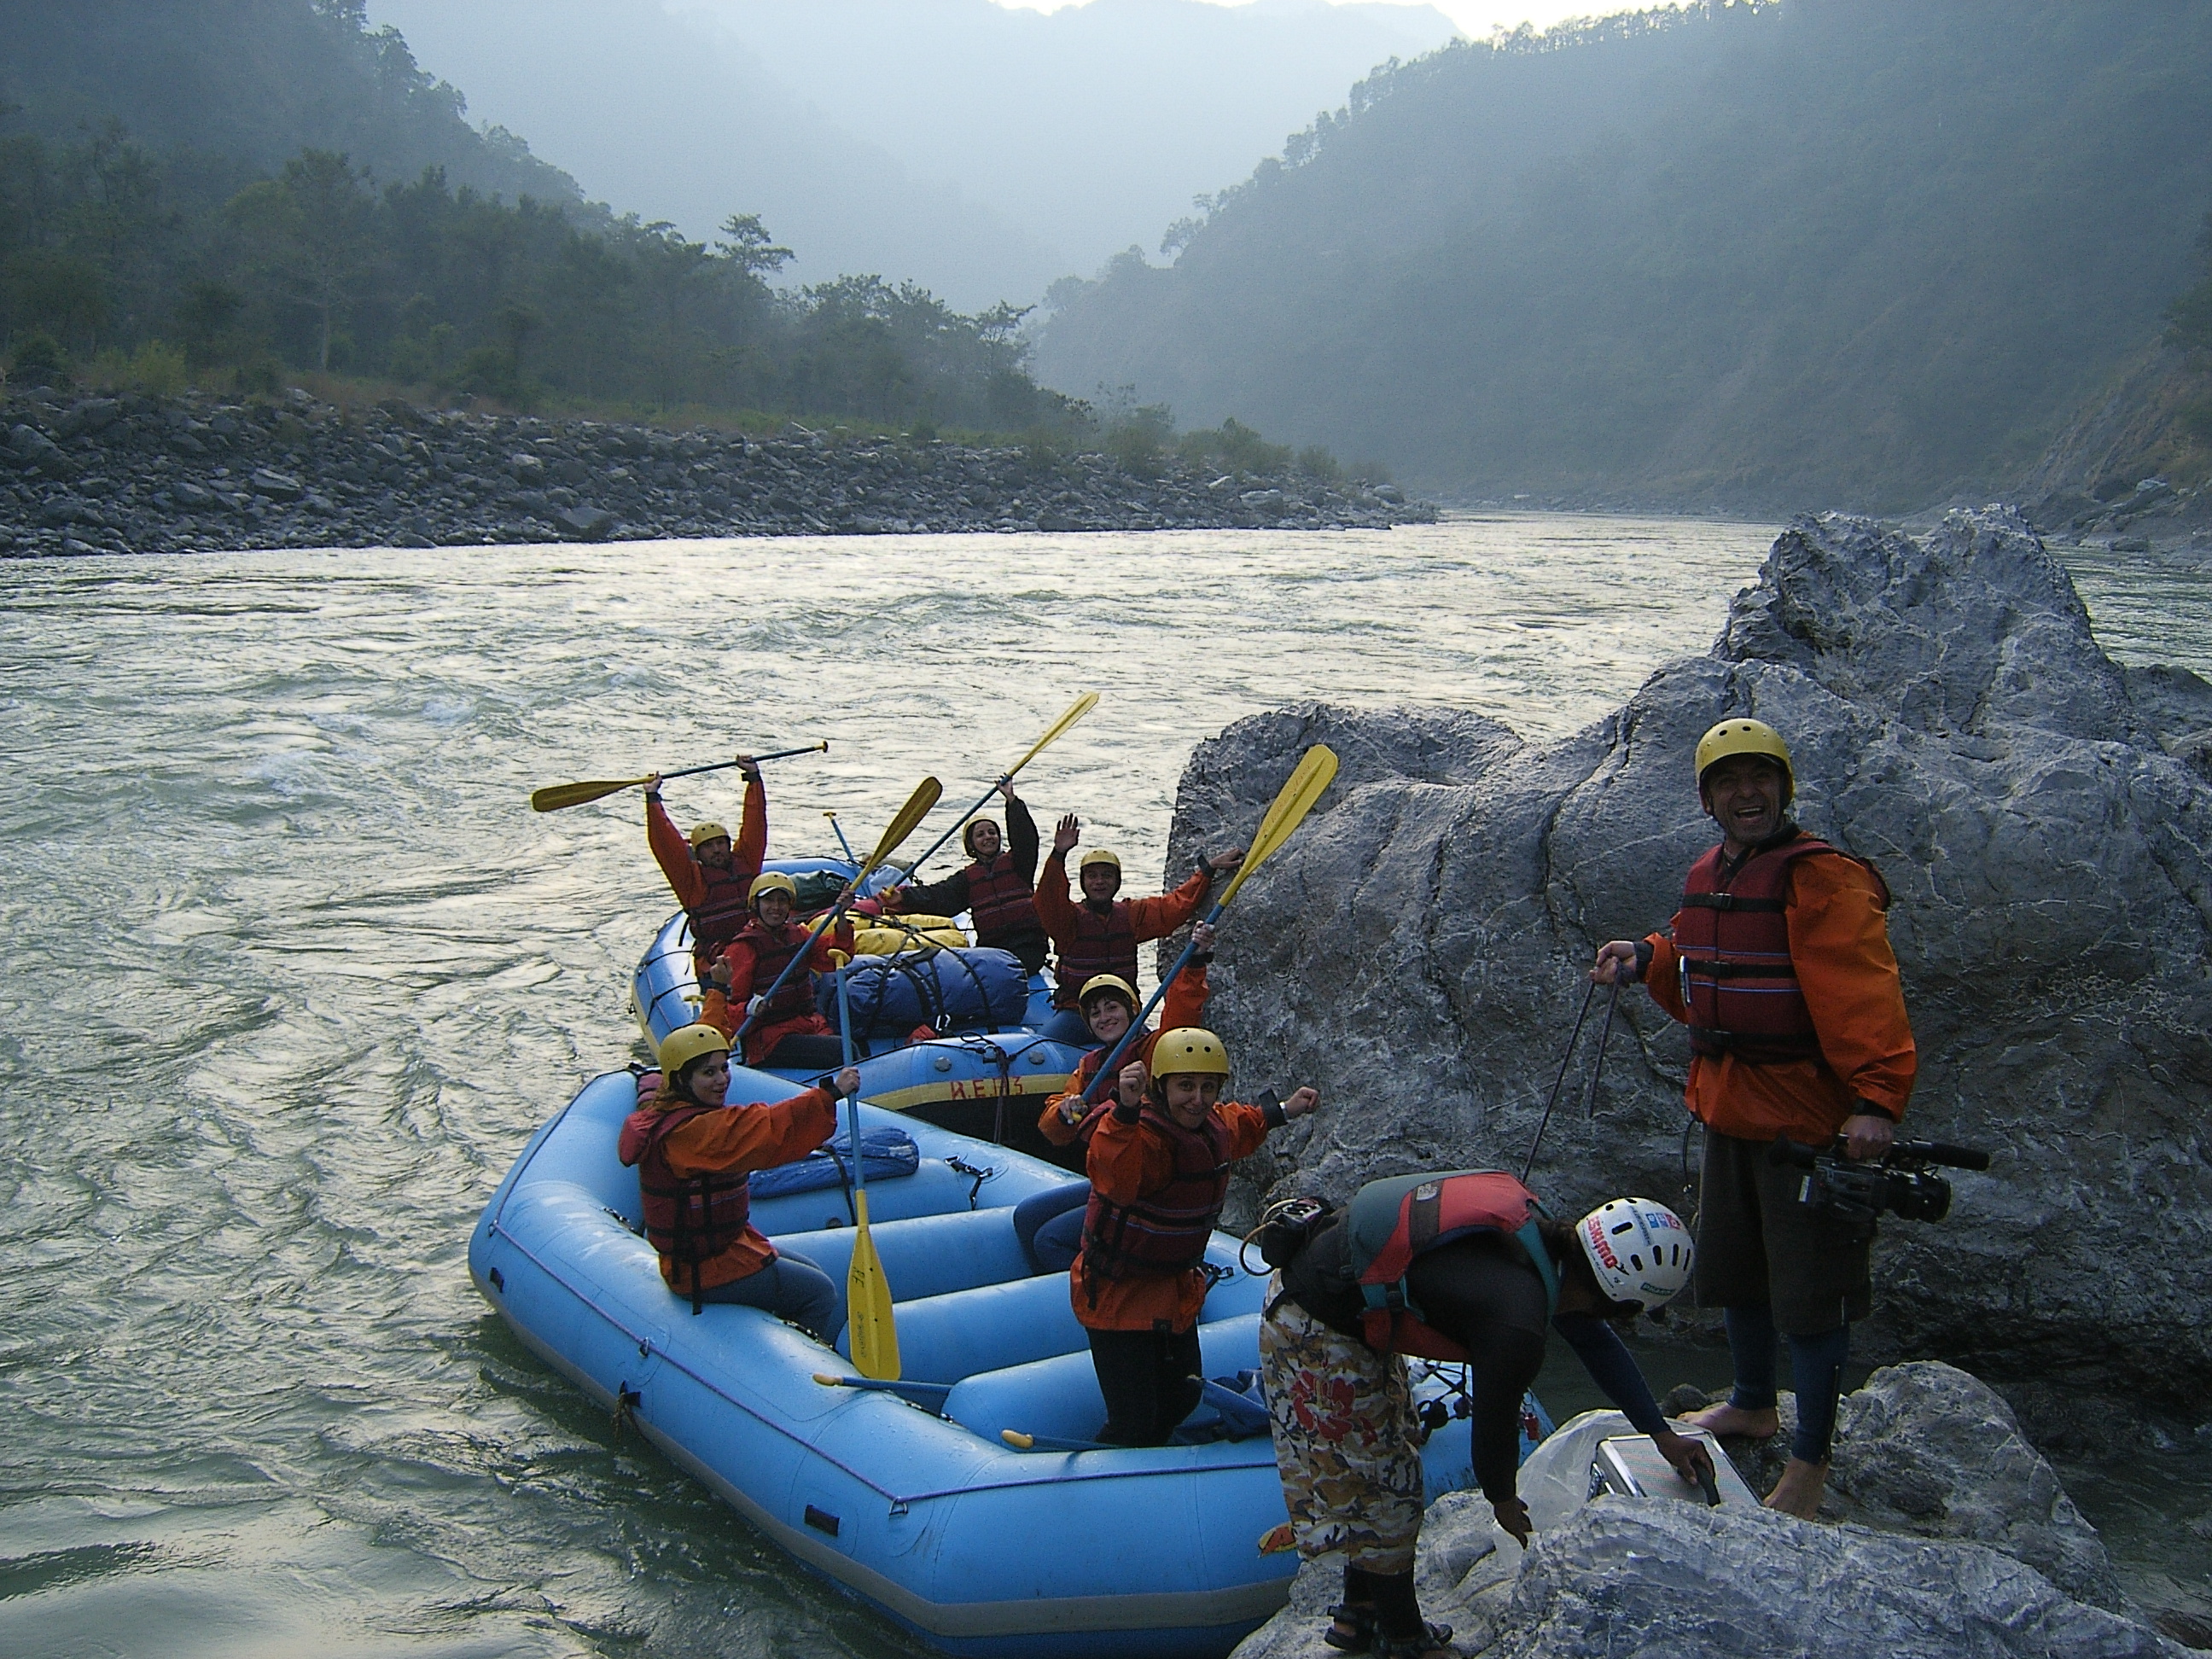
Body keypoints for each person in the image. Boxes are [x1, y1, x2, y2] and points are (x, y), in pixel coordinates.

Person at [1592, 715, 1916, 1520]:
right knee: (1736, 1269)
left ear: (1784, 787)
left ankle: (1808, 1465)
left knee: (1812, 1291)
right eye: (1730, 782)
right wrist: (1645, 958)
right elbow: (1693, 953)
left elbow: (1864, 990)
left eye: (1761, 779)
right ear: (1708, 800)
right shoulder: (1712, 870)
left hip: (1805, 1119)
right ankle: (1750, 1401)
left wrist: (1876, 1100)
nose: (1748, 794)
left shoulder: (1822, 879)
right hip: (1729, 1105)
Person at [1261, 1174, 1709, 1659]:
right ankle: (1404, 1636)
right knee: (1389, 1488)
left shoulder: (1546, 1249)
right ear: (1621, 1302)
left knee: (1392, 1451)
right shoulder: (1517, 1319)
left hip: (1336, 1293)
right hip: (1311, 1321)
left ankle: (1359, 1612)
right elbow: (1493, 1427)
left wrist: (1659, 1433)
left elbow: (1596, 1344)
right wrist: (1503, 1500)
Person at [1074, 1027, 1319, 1447]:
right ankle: (1111, 1466)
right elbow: (1116, 1176)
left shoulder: (1212, 1124)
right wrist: (1126, 1112)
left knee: (1183, 1398)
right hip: (1118, 1300)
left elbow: (1243, 1123)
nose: (1198, 1098)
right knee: (1135, 1420)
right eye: (1185, 1086)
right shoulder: (1142, 1136)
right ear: (1161, 1086)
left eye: (1208, 1087)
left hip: (1174, 1295)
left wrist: (1286, 1109)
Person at [617, 1021, 856, 1336]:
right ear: (681, 1080)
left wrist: (646, 1079)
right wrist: (832, 1093)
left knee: (812, 1272)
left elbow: (651, 1095)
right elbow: (766, 1126)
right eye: (708, 1073)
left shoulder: (663, 1107)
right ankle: (799, 1366)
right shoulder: (696, 1132)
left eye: (724, 1068)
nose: (722, 1081)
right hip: (704, 1272)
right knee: (819, 1293)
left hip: (723, 1250)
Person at [1012, 923, 1216, 1268]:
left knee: (1049, 1238)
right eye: (1096, 1013)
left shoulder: (1156, 1051)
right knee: (1027, 1217)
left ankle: (1094, 1292)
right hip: (1109, 1180)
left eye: (1112, 1008)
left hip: (1144, 1186)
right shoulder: (1088, 1067)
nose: (1105, 1017)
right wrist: (1064, 1112)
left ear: (1132, 1010)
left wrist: (1195, 961)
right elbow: (1053, 1131)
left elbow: (1183, 1013)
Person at [1032, 812, 1243, 1044]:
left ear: (1117, 881)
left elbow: (1174, 907)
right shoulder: (1067, 920)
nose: (1099, 881)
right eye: (1092, 876)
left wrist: (1207, 871)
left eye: (1106, 876)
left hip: (1121, 1015)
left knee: (1159, 1048)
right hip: (1076, 1013)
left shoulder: (1131, 915)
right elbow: (1047, 899)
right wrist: (1059, 854)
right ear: (1083, 883)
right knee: (1039, 1047)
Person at [882, 781, 1050, 972]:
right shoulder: (967, 879)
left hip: (1028, 945)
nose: (988, 837)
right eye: (980, 835)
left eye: (992, 832)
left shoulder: (1019, 863)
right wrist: (904, 896)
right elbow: (938, 896)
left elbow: (1025, 837)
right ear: (971, 845)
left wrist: (1012, 801)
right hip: (993, 948)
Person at [701, 872, 856, 1070]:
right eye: (769, 900)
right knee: (845, 1050)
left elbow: (836, 955)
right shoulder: (743, 948)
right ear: (756, 905)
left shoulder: (797, 934)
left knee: (856, 1048)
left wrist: (841, 915)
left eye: (782, 901)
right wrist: (749, 1008)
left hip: (806, 1025)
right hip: (769, 1040)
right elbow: (726, 1010)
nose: (776, 907)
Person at [643, 760, 766, 979]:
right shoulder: (692, 882)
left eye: (721, 844)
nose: (717, 850)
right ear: (697, 854)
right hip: (717, 957)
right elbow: (665, 844)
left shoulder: (746, 862)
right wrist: (653, 799)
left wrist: (753, 778)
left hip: (756, 944)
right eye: (709, 847)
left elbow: (755, 822)